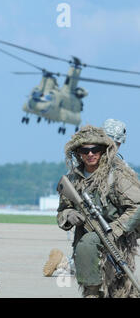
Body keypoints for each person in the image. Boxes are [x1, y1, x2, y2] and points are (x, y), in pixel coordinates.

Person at [56, 125, 140, 298]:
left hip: (117, 241)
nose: (90, 154)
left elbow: (137, 206)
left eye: (96, 150)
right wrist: (70, 215)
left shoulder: (116, 175)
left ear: (103, 151)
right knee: (91, 289)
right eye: (85, 151)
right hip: (87, 241)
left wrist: (115, 229)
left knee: (121, 289)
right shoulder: (73, 179)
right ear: (78, 153)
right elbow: (62, 211)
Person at [42, 119, 129, 278]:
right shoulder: (81, 169)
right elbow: (67, 202)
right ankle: (63, 263)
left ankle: (64, 262)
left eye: (117, 143)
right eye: (111, 143)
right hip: (91, 226)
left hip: (114, 229)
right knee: (89, 267)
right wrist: (70, 215)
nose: (114, 148)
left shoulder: (121, 169)